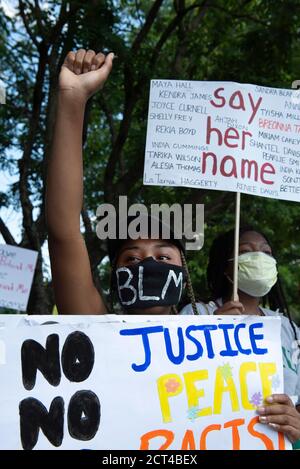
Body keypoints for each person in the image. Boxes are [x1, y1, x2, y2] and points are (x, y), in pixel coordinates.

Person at [46, 49, 198, 316]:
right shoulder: (96, 326)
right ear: (115, 277)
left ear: (184, 274)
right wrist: (73, 101)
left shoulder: (220, 338)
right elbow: (64, 233)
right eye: (131, 259)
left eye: (163, 257)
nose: (148, 263)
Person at [181, 227, 300, 444]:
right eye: (247, 251)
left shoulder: (287, 328)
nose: (260, 258)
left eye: (267, 253)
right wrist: (212, 334)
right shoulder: (198, 314)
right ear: (226, 267)